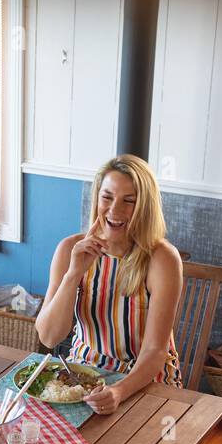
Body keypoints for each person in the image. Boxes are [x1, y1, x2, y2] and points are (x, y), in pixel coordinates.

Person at [35, 153, 185, 414]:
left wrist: (118, 391)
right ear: (97, 198)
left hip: (145, 380)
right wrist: (73, 275)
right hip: (82, 374)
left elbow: (154, 350)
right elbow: (49, 336)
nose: (115, 210)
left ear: (145, 207)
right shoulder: (70, 249)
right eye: (107, 197)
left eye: (129, 201)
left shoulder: (162, 259)